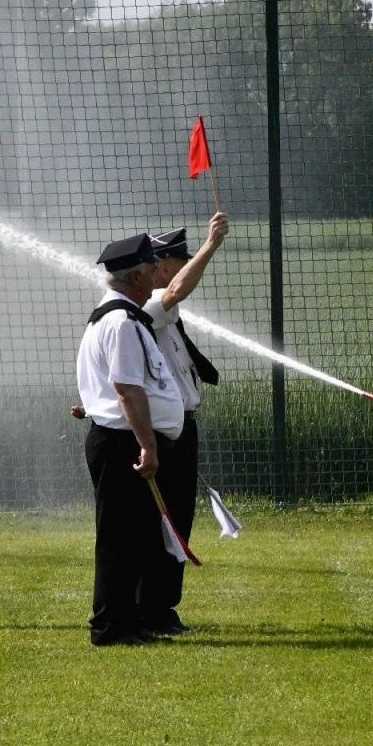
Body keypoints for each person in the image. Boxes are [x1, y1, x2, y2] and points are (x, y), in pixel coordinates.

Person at [76, 233, 185, 646]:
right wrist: (149, 445)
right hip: (124, 443)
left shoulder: (119, 318)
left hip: (122, 440)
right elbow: (127, 389)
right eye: (151, 272)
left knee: (134, 536)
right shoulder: (121, 323)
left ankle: (128, 620)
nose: (157, 279)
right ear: (135, 276)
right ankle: (110, 626)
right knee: (120, 538)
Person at [135, 213, 230, 634]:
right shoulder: (152, 307)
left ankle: (162, 607)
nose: (183, 266)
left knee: (178, 519)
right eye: (181, 260)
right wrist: (211, 246)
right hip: (162, 432)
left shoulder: (166, 315)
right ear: (165, 266)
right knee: (163, 522)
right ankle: (153, 609)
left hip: (181, 427)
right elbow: (175, 290)